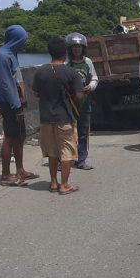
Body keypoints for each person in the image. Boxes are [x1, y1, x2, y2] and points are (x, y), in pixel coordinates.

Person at [32, 36, 84, 195]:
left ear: (50, 52)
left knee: (52, 152)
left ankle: (53, 182)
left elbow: (36, 93)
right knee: (66, 151)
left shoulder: (40, 72)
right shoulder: (71, 72)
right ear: (65, 53)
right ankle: (65, 184)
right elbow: (79, 96)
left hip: (46, 118)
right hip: (65, 117)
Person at [0, 24, 38, 186]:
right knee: (10, 137)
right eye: (21, 40)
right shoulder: (3, 56)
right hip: (9, 103)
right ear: (15, 40)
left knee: (20, 136)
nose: (23, 44)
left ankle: (20, 170)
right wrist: (16, 106)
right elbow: (6, 85)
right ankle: (5, 175)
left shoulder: (10, 53)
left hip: (14, 102)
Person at [65, 32, 98, 169]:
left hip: (84, 103)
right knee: (68, 133)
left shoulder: (87, 62)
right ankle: (67, 159)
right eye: (74, 47)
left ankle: (82, 159)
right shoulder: (67, 64)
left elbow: (95, 78)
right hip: (69, 104)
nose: (77, 50)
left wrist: (91, 86)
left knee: (83, 132)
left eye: (79, 47)